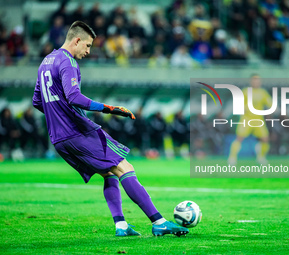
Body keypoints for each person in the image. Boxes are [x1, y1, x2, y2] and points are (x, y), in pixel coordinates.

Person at [32, 21, 188, 237]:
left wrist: (57, 116)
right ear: (76, 40)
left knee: (109, 173)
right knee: (125, 167)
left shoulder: (45, 61)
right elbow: (74, 97)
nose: (88, 51)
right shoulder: (67, 61)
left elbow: (37, 101)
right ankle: (159, 222)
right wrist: (110, 108)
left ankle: (121, 225)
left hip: (59, 138)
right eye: (87, 46)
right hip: (77, 131)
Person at [228, 74, 272, 165]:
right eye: (254, 80)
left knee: (265, 139)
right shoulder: (245, 91)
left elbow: (270, 103)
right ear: (251, 81)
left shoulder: (263, 93)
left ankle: (261, 157)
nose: (256, 82)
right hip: (246, 119)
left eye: (258, 80)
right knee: (239, 138)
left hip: (258, 120)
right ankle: (232, 157)